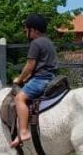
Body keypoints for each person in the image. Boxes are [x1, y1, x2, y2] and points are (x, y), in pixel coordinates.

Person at [10, 14, 59, 147]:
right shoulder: (49, 42)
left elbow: (30, 66)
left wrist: (20, 79)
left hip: (40, 80)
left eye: (27, 30)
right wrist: (27, 78)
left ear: (34, 30)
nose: (26, 32)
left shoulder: (35, 43)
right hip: (50, 77)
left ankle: (24, 131)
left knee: (19, 98)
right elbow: (42, 66)